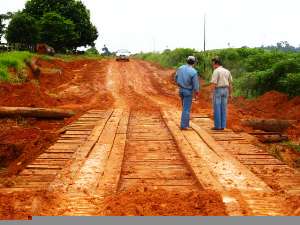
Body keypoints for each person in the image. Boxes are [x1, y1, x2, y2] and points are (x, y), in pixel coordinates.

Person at [175, 56, 200, 130]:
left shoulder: (180, 68)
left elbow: (176, 77)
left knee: (184, 107)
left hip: (181, 90)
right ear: (194, 62)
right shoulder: (193, 72)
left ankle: (186, 124)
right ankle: (184, 125)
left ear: (187, 61)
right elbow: (196, 85)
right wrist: (196, 93)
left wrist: (179, 84)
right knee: (186, 109)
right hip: (188, 91)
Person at [210, 57, 233, 130]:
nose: (212, 65)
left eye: (212, 64)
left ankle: (217, 126)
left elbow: (214, 83)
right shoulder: (227, 71)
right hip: (226, 90)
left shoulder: (216, 71)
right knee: (224, 108)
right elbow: (230, 83)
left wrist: (211, 93)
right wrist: (230, 93)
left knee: (217, 108)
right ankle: (223, 126)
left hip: (218, 90)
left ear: (215, 63)